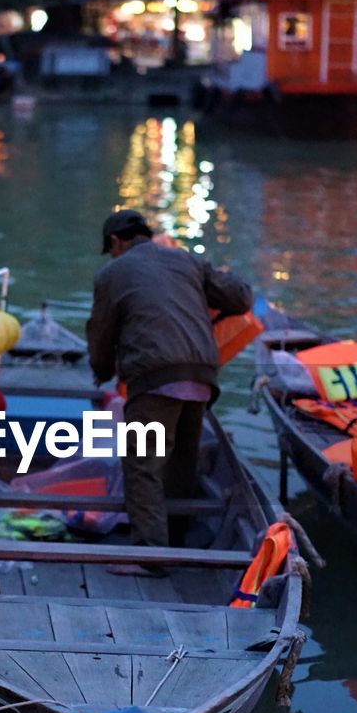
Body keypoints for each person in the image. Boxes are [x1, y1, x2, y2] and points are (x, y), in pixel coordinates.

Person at [86, 208, 253, 566]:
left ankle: (150, 556)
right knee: (181, 464)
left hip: (156, 376)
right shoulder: (187, 261)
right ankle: (177, 543)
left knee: (142, 464)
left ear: (115, 242)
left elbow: (101, 333)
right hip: (201, 376)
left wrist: (101, 370)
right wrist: (210, 268)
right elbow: (240, 298)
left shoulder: (113, 273)